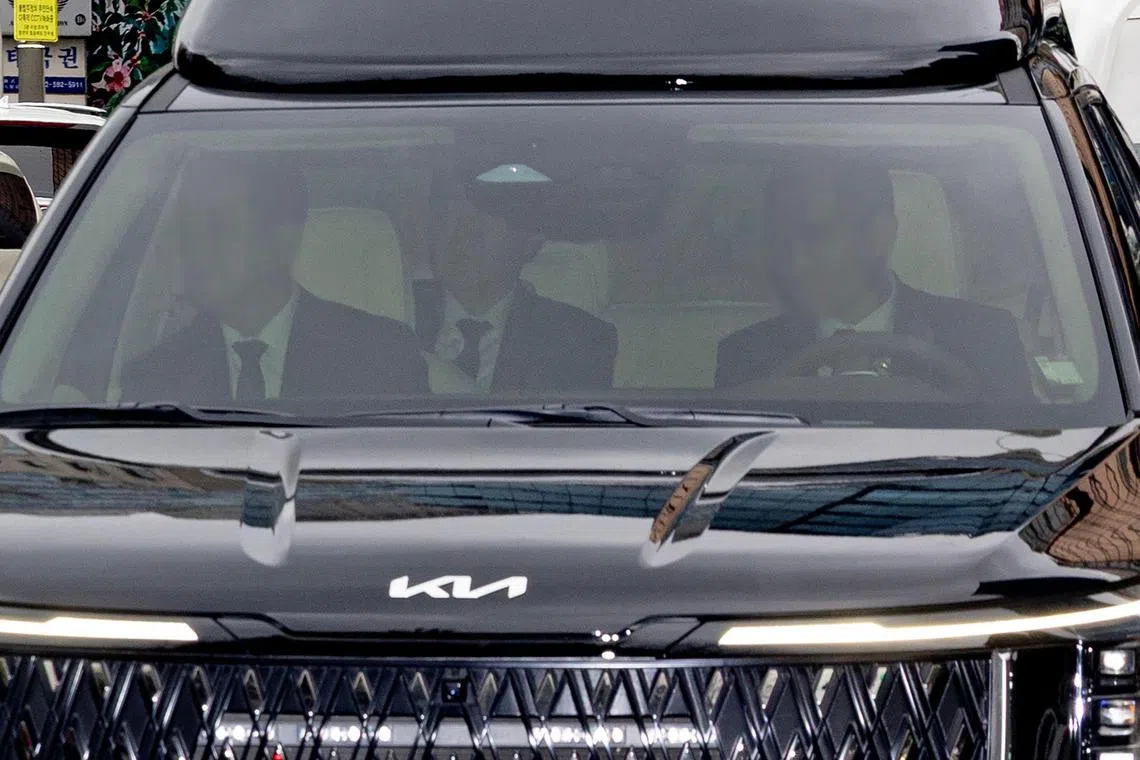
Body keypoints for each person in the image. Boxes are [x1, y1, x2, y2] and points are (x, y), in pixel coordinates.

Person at [715, 152, 1032, 398]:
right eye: (781, 238)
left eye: (815, 236)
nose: (793, 260)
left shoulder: (984, 340)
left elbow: (1021, 460)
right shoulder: (745, 357)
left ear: (878, 236)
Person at [120, 156, 428, 404]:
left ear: (282, 240)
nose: (193, 246)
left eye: (215, 227)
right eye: (188, 229)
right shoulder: (154, 378)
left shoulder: (381, 357)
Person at [413, 196, 617, 392]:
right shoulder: (393, 315)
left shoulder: (578, 342)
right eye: (450, 213)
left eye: (486, 216)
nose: (464, 233)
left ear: (531, 242)